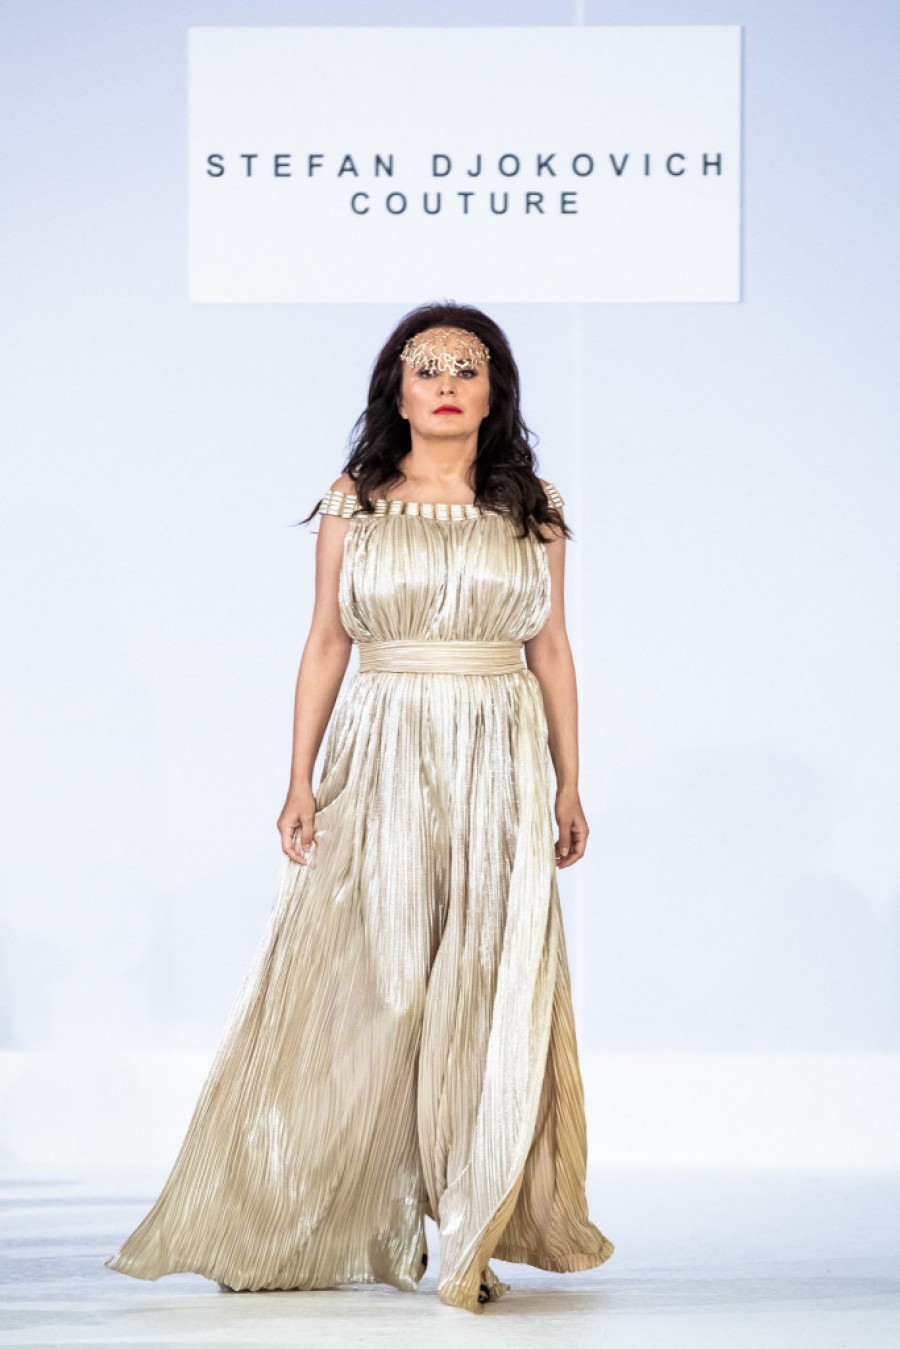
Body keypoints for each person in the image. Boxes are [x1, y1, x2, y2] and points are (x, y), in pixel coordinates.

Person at [103, 302, 614, 1315]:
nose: (446, 384)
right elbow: (326, 641)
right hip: (381, 748)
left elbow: (551, 648)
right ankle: (298, 1208)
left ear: (495, 391)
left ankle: (472, 1228)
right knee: (377, 984)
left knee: (489, 982)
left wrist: (569, 779)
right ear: (398, 390)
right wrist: (298, 778)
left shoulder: (534, 507)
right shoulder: (356, 502)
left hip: (500, 753)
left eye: (466, 367)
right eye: (426, 367)